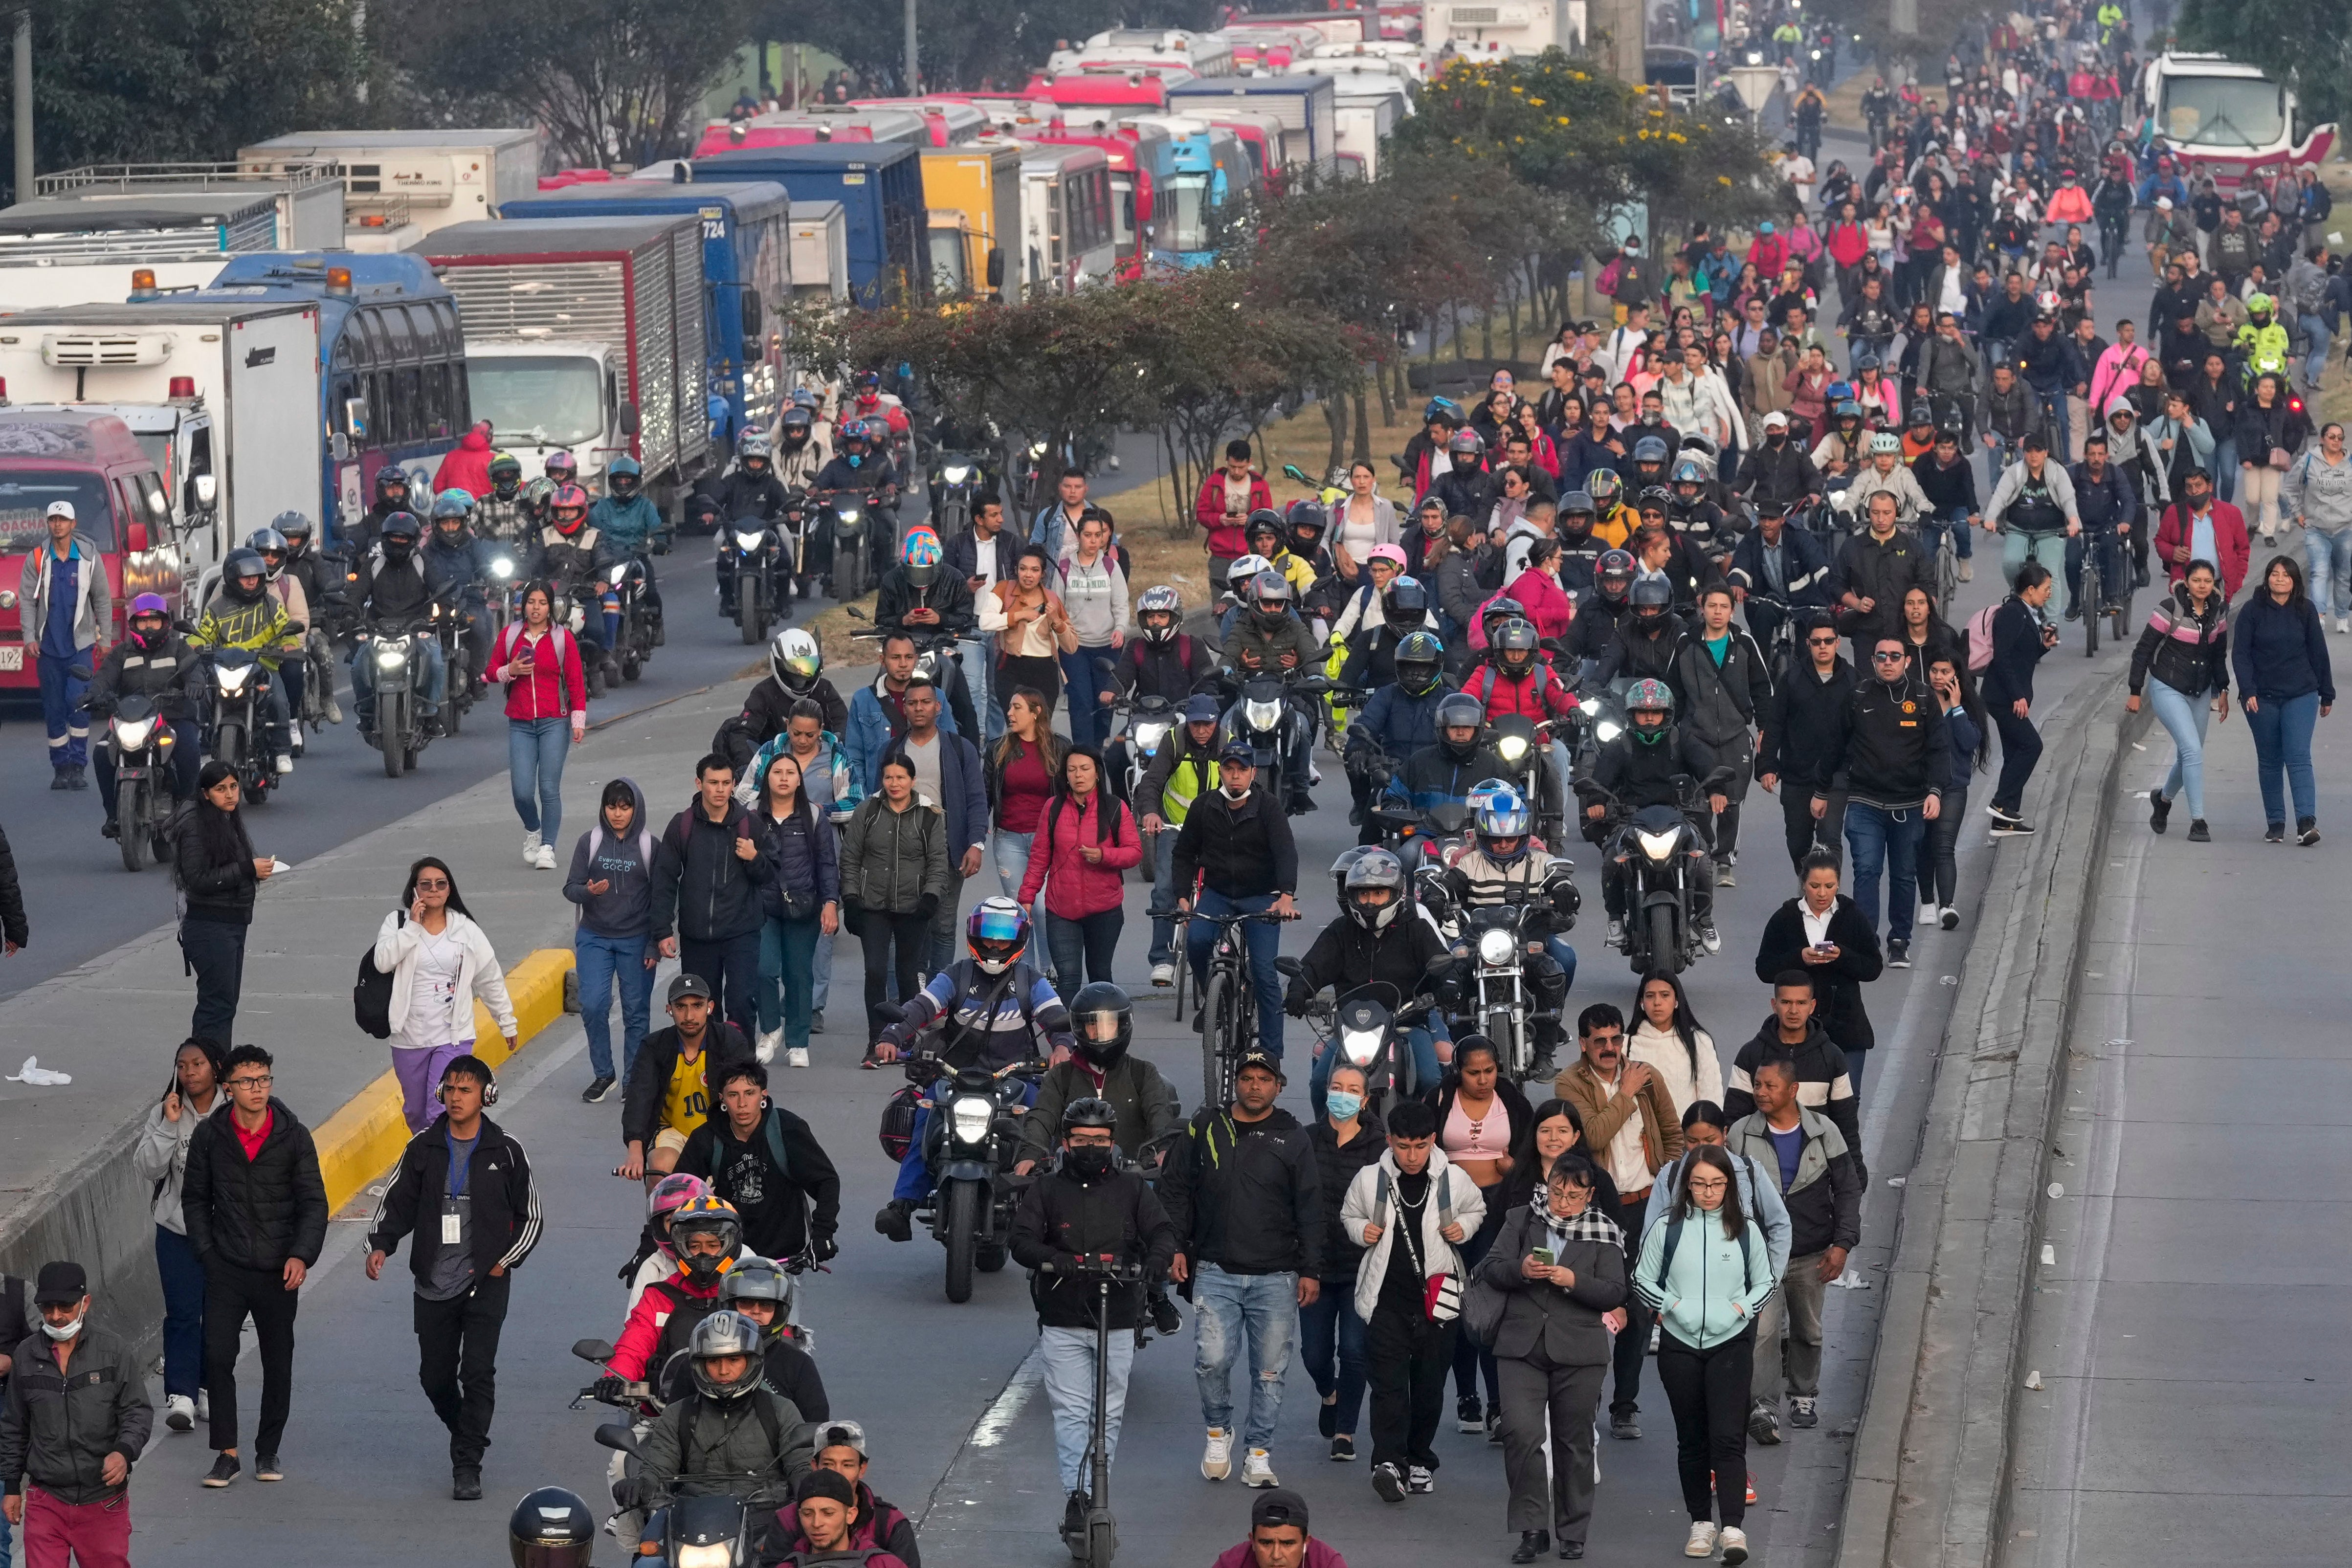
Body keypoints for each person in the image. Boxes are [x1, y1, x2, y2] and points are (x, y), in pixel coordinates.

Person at [362, 1054, 540, 1500]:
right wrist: (380, 1245)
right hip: (432, 1283)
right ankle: (468, 1431)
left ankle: (467, 1464)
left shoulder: (507, 1150)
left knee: (478, 1372)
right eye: (451, 1088)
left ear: (486, 1096)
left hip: (487, 1279)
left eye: (467, 1089)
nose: (457, 1097)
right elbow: (397, 1202)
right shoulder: (423, 1147)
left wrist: (506, 1259)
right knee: (435, 1377)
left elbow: (532, 1216)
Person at [1008, 1095, 1178, 1539]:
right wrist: (1053, 1257)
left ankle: (1097, 1493)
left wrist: (1158, 1259)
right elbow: (1021, 1240)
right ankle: (1078, 1497)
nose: (1090, 1146)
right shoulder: (1046, 1188)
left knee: (1108, 1412)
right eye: (1081, 1139)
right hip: (1063, 1316)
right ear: (1065, 1141)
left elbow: (1161, 1231)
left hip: (1118, 1314)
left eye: (1099, 1139)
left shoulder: (1131, 1187)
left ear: (1113, 1142)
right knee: (1071, 1410)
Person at [1161, 1049, 1324, 1489]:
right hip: (1215, 1269)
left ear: (1279, 1085)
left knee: (1270, 1371)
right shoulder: (1206, 1125)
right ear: (1236, 1081)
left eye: (1264, 1078)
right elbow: (1175, 1186)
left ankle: (1259, 1453)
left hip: (1277, 1276)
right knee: (1211, 1360)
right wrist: (1175, 1246)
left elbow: (1311, 1205)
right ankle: (1218, 1433)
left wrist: (1311, 1268)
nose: (1255, 1085)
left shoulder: (1293, 1136)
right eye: (1247, 1077)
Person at [181, 1044, 327, 1487]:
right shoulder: (211, 1137)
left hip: (278, 1270)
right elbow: (194, 1198)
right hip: (226, 1267)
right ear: (228, 1088)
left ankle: (268, 1450)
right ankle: (227, 1453)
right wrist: (207, 1253)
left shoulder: (293, 1135)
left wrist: (301, 1255)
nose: (258, 1088)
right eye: (247, 1081)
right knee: (219, 1355)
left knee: (277, 1361)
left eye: (264, 1079)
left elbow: (314, 1203)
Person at [1633, 1145, 1777, 1567]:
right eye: (1699, 1183)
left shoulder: (1746, 1229)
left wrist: (1740, 1310)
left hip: (1730, 1344)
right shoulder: (1667, 1226)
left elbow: (1766, 1282)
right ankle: (1701, 1523)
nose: (1708, 1191)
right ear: (1687, 1186)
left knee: (1728, 1437)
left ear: (1729, 1185)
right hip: (1678, 1346)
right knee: (1691, 1439)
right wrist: (1672, 1308)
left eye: (1716, 1183)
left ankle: (1733, 1529)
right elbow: (1641, 1278)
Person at [1482, 1150, 1625, 1563]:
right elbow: (1492, 1267)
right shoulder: (1522, 1218)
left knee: (1574, 1442)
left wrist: (1573, 1280)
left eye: (1574, 1195)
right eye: (1557, 1192)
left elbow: (1616, 1291)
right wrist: (1523, 1269)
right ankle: (1532, 1529)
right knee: (1522, 1435)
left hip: (1580, 1349)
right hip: (1520, 1345)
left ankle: (1573, 1529)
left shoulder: (1605, 1231)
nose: (1563, 1202)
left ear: (1590, 1194)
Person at [1338, 1096, 1482, 1505]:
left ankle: (1420, 1458)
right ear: (1390, 1141)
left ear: (1433, 1140)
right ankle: (1388, 1462)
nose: (1412, 1155)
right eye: (1403, 1146)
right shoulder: (1370, 1179)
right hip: (1384, 1300)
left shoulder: (1453, 1179)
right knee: (1387, 1386)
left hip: (1438, 1303)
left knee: (1428, 1387)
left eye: (1420, 1146)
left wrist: (1463, 1227)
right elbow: (1349, 1215)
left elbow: (1479, 1209)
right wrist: (1360, 1229)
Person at [1553, 1002, 1683, 1441]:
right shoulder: (1569, 1082)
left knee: (1640, 1307)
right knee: (1591, 1307)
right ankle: (1584, 1404)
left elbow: (1673, 1132)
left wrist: (1673, 1186)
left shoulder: (1648, 1075)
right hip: (1599, 1210)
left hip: (1646, 1205)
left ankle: (1624, 1405)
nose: (1610, 1048)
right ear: (1584, 1043)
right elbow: (1591, 1136)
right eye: (1600, 1041)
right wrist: (1626, 1094)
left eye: (1616, 1039)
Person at [1728, 1055, 1861, 1446]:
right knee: (1763, 1333)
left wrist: (1842, 1243)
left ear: (1792, 1089)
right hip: (1762, 1257)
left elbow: (1848, 1188)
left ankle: (1803, 1395)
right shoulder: (1740, 1134)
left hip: (1811, 1253)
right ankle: (1764, 1406)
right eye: (1757, 1085)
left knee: (1808, 1329)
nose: (1761, 1092)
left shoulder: (1824, 1131)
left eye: (1769, 1085)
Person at [0, 1261, 151, 1568]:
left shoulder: (113, 1351)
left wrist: (124, 1453)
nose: (56, 1316)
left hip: (103, 1500)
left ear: (86, 1303)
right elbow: (14, 1427)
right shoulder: (26, 1356)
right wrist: (12, 1487)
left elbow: (137, 1411)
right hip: (46, 1500)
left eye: (65, 1306)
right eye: (47, 1307)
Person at [1819, 635, 1948, 966]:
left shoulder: (1923, 698)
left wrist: (1935, 791)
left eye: (1895, 656)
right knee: (1866, 870)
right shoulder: (1858, 696)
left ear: (1907, 661)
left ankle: (1899, 940)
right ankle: (1866, 940)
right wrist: (1821, 791)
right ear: (1873, 660)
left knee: (1904, 874)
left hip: (1910, 804)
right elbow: (1834, 745)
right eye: (1881, 656)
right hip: (1865, 801)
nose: (1888, 662)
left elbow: (1938, 751)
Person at [1172, 745, 1302, 1061]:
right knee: (1199, 941)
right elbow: (1184, 853)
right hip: (1218, 893)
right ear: (1220, 771)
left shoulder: (1269, 807)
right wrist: (1183, 898)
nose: (1235, 775)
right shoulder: (1204, 806)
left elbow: (1286, 851)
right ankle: (1214, 1001)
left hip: (1262, 896)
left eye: (1242, 769)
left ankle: (1271, 1057)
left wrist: (1286, 895)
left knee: (1264, 973)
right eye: (1229, 769)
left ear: (1253, 773)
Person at [373, 857, 519, 1134]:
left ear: (449, 889)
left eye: (440, 884)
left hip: (453, 1037)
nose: (434, 889)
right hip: (409, 1037)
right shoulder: (397, 922)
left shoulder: (466, 929)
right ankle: (428, 1162)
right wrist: (413, 928)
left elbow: (489, 977)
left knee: (439, 1108)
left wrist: (506, 1021)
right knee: (416, 1113)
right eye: (425, 884)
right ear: (414, 890)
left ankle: (445, 1169)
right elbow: (383, 962)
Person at [635, 1310, 813, 1514]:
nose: (723, 1371)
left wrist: (802, 1479)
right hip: (694, 1520)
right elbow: (658, 1468)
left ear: (752, 1361)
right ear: (700, 1365)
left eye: (734, 1360)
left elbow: (801, 1464)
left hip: (765, 1521)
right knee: (649, 1543)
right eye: (713, 1362)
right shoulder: (678, 1415)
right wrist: (642, 1484)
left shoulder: (780, 1410)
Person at [133, 1038, 222, 1435]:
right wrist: (170, 1125)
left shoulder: (234, 1109)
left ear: (215, 1068)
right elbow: (148, 1168)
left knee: (218, 1316)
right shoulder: (165, 1112)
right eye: (182, 1065)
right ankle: (181, 1395)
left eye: (198, 1064)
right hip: (177, 1231)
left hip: (225, 1234)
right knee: (183, 1312)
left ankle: (207, 1387)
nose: (189, 1072)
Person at [651, 753, 774, 1038]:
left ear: (734, 785)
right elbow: (665, 879)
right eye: (713, 783)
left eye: (726, 783)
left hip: (741, 934)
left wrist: (754, 858)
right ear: (699, 784)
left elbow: (770, 875)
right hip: (697, 937)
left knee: (742, 1004)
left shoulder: (751, 825)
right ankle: (710, 1074)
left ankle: (743, 1075)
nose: (720, 789)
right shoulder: (682, 825)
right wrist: (662, 930)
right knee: (702, 1010)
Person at [675, 1060, 841, 1266]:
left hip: (784, 1258)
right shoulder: (706, 1138)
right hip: (726, 1258)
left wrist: (823, 1234)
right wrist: (649, 1245)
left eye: (749, 1093)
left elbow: (826, 1181)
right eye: (733, 1095)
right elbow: (677, 1195)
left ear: (764, 1095)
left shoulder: (787, 1130)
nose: (742, 1103)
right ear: (722, 1099)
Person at [838, 753, 950, 1043]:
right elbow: (850, 857)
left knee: (907, 972)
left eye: (901, 777)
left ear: (913, 781)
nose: (894, 783)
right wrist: (850, 899)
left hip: (914, 907)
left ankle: (907, 1038)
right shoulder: (868, 811)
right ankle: (876, 1038)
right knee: (875, 971)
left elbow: (938, 861)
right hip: (872, 904)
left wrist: (931, 897)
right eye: (889, 777)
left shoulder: (929, 815)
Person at [1303, 1063, 1382, 1465]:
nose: (1344, 1094)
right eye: (1337, 1087)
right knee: (1315, 1354)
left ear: (1365, 1099)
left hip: (1361, 1267)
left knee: (1354, 1351)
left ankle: (1345, 1431)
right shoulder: (1306, 1140)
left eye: (1353, 1089)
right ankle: (1328, 1394)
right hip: (1315, 1266)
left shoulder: (1379, 1147)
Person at [1669, 586, 1773, 882]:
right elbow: (1673, 688)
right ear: (1702, 609)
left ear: (1732, 611)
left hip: (1735, 733)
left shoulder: (1745, 643)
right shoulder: (1686, 643)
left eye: (1723, 606)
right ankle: (1703, 852)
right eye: (1711, 606)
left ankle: (1726, 859)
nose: (1717, 612)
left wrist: (1765, 729)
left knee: (1732, 799)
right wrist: (1672, 729)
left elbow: (1763, 689)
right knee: (1699, 799)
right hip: (1695, 733)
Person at [744, 751, 840, 1068]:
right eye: (777, 772)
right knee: (763, 969)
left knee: (799, 975)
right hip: (763, 906)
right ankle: (770, 1030)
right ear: (766, 778)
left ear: (799, 780)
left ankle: (798, 1041)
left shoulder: (813, 816)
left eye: (790, 772)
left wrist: (830, 903)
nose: (783, 778)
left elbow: (827, 863)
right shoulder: (750, 816)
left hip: (803, 907)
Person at [565, 777, 659, 1103]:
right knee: (592, 1004)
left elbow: (663, 898)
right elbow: (570, 888)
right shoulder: (589, 842)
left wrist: (654, 943)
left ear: (636, 808)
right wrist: (587, 892)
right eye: (612, 806)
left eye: (625, 806)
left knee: (636, 1012)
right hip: (595, 937)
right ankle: (604, 1074)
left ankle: (633, 1080)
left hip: (637, 940)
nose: (618, 814)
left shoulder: (650, 846)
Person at [2233, 554, 2334, 844]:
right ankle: (2276, 823)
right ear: (2267, 578)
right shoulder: (2252, 611)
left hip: (2301, 694)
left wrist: (2327, 692)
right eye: (2275, 574)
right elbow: (2241, 654)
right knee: (2270, 760)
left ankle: (2306, 823)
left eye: (2286, 575)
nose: (2280, 579)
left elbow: (2319, 653)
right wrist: (2248, 690)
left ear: (2294, 581)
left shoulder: (2306, 610)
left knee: (2299, 756)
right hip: (2261, 698)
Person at [2130, 561, 2232, 843]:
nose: (2202, 586)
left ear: (2214, 583)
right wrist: (2135, 691)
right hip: (2167, 687)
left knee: (2190, 754)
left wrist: (2222, 690)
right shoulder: (2169, 608)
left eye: (2208, 581)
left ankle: (2162, 801)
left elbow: (2218, 656)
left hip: (2199, 691)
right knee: (2192, 751)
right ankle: (2198, 821)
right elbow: (2143, 650)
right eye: (2197, 580)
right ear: (2185, 582)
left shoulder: (2218, 612)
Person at [489, 580, 588, 871]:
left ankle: (548, 846)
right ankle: (533, 831)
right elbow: (490, 671)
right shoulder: (510, 636)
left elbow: (575, 681)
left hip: (554, 721)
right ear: (523, 605)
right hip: (520, 722)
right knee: (521, 791)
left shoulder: (562, 638)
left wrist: (578, 719)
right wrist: (512, 671)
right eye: (531, 602)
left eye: (542, 603)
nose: (536, 608)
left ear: (551, 606)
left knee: (548, 788)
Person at [620, 973, 755, 1185]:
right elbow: (639, 1098)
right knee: (660, 1166)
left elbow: (749, 1094)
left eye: (697, 1005)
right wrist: (636, 1152)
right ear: (669, 1009)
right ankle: (659, 1219)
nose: (689, 1015)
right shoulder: (654, 1046)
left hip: (721, 1131)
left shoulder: (730, 1041)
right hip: (673, 1132)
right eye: (681, 1007)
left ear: (710, 1007)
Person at [87, 593, 200, 838]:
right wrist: (93, 694)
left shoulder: (178, 648)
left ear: (165, 623)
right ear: (133, 624)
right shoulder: (121, 653)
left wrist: (195, 684)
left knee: (189, 748)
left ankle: (187, 809)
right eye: (143, 622)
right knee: (100, 752)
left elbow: (195, 669)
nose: (149, 627)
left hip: (173, 716)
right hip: (132, 719)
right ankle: (114, 814)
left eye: (155, 621)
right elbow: (104, 677)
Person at [174, 761, 272, 1041]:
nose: (230, 795)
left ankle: (215, 1075)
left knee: (224, 1006)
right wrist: (247, 870)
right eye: (220, 789)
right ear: (205, 794)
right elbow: (198, 879)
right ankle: (204, 1077)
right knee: (216, 1007)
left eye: (233, 787)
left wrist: (252, 872)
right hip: (210, 927)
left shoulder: (223, 820)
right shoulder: (195, 825)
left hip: (230, 923)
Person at [19, 500, 110, 789]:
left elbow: (103, 600)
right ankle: (61, 767)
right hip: (48, 649)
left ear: (73, 524)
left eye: (63, 520)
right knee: (54, 708)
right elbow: (26, 601)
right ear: (48, 524)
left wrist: (105, 639)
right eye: (53, 520)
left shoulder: (89, 558)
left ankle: (78, 765)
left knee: (78, 703)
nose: (57, 525)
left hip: (80, 647)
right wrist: (29, 637)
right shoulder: (37, 558)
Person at [1725, 970, 1864, 1160]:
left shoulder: (1833, 1057)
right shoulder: (1750, 1055)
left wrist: (1854, 1174)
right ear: (1774, 1005)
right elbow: (1735, 1119)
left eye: (1801, 1003)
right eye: (1786, 1002)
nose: (1793, 1011)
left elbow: (1846, 1125)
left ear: (1812, 1006)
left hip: (1817, 1170)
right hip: (1761, 1169)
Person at [1136, 695, 1226, 985]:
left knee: (1227, 892)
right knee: (1164, 889)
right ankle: (1163, 959)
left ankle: (1226, 953)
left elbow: (1245, 787)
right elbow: (1152, 781)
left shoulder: (1228, 744)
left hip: (1216, 831)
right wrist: (1150, 813)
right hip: (1176, 828)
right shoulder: (1173, 742)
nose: (1201, 731)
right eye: (1196, 724)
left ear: (1217, 723)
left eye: (1207, 725)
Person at [1759, 614, 1857, 873]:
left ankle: (1828, 896)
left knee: (1830, 839)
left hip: (1837, 777)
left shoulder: (1854, 681)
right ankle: (1807, 889)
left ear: (1837, 643)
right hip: (1797, 776)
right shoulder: (1791, 679)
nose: (1822, 646)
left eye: (1828, 641)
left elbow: (1862, 730)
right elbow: (1775, 723)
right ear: (1808, 644)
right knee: (1798, 843)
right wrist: (1768, 765)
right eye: (1817, 642)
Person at [352, 511, 451, 734]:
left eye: (404, 538)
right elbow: (355, 595)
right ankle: (367, 713)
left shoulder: (424, 562)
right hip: (379, 630)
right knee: (359, 663)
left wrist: (445, 610)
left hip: (417, 630)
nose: (398, 542)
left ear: (413, 540)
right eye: (394, 538)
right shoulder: (373, 565)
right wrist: (349, 614)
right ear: (384, 539)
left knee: (435, 661)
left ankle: (431, 715)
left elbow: (441, 589)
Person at [767, 1421, 920, 1565]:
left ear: (862, 1469)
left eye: (847, 1465)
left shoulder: (890, 1522)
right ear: (814, 1465)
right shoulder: (787, 1521)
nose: (838, 1473)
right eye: (828, 1464)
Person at [1980, 565, 2059, 839]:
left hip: (2009, 695)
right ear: (2030, 590)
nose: (2049, 594)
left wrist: (2042, 646)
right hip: (2003, 697)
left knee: (2015, 753)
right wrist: (2017, 695)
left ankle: (2005, 821)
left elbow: (2020, 654)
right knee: (2031, 746)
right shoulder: (2012, 613)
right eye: (2046, 589)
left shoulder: (2026, 612)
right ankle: (2001, 803)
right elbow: (2002, 657)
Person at [1917, 655, 1987, 928]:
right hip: (1921, 787)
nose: (1938, 676)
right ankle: (1926, 903)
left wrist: (1956, 707)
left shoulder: (1967, 708)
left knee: (1944, 846)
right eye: (1934, 670)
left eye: (1945, 671)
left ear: (1957, 675)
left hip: (1954, 787)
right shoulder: (1920, 702)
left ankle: (1947, 906)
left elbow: (1970, 741)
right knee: (1923, 847)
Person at [1629, 971, 1724, 1120]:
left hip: (1685, 1137)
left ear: (1677, 1001)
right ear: (1641, 1002)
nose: (1657, 1002)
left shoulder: (1698, 1041)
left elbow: (1711, 1098)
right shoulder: (1626, 1044)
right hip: (1639, 1139)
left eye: (1665, 995)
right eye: (1650, 996)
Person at [2285, 423, 2352, 629]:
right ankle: (2319, 617)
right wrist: (2298, 514)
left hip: (2345, 528)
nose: (2336, 441)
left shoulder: (2350, 462)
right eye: (2331, 436)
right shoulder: (2308, 461)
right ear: (2322, 439)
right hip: (2316, 528)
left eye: (2340, 437)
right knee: (2319, 573)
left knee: (2343, 574)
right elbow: (2290, 487)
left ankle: (2342, 617)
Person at [779, 1467, 912, 1568]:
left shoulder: (883, 1564)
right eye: (808, 1514)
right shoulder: (788, 1566)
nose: (817, 1523)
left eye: (828, 1513)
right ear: (800, 1515)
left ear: (851, 1515)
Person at [2153, 467, 2252, 600]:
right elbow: (2160, 541)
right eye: (2189, 487)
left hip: (2219, 589)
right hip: (2185, 590)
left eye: (2198, 485)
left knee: (2219, 621)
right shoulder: (2174, 512)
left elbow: (2243, 550)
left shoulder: (2231, 513)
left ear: (2210, 487)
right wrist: (2172, 552)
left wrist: (2236, 581)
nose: (2194, 491)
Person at [1210, 1487, 1349, 1568]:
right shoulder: (1231, 1564)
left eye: (1288, 1543)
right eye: (1266, 1543)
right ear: (1252, 1541)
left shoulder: (1328, 1564)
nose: (1276, 1556)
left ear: (1306, 1542)